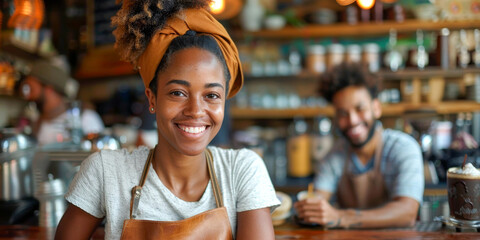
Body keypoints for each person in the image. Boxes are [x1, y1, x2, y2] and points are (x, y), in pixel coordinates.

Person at [55, 1, 279, 239]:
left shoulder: (242, 171)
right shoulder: (106, 172)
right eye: (178, 93)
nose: (195, 110)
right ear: (152, 98)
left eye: (212, 95)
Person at [294, 63, 424, 229]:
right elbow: (319, 198)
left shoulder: (403, 148)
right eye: (343, 113)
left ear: (376, 108)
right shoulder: (334, 156)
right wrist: (309, 210)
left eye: (359, 108)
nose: (352, 120)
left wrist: (340, 217)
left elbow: (407, 213)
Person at [19, 76, 104, 146]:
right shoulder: (37, 123)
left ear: (49, 89)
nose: (28, 96)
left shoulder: (85, 117)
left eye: (31, 89)